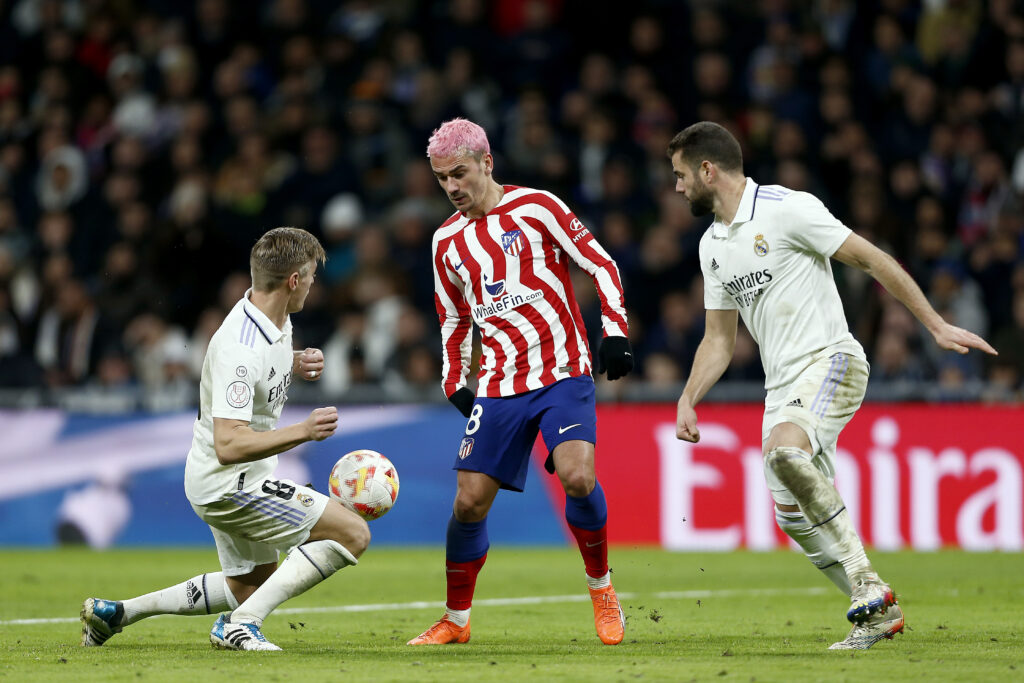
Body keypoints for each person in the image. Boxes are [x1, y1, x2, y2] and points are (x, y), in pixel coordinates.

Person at [667, 121, 997, 650]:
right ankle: (879, 612)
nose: (678, 186)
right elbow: (718, 341)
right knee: (791, 515)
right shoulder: (713, 246)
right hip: (782, 389)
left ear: (709, 170)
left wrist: (934, 324)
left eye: (682, 175)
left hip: (832, 360)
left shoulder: (786, 208)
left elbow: (872, 259)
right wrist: (688, 396)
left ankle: (865, 579)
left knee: (782, 455)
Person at [80, 227, 371, 651]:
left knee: (249, 584)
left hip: (228, 477)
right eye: (310, 275)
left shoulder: (273, 317)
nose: (313, 282)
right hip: (230, 483)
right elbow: (229, 443)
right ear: (293, 280)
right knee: (351, 534)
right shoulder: (239, 346)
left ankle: (117, 614)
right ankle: (241, 625)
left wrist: (292, 364)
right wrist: (303, 432)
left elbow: (258, 370)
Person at [408, 118, 634, 646]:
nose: (452, 188)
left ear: (487, 162)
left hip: (562, 372)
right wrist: (452, 381)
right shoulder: (446, 242)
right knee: (468, 502)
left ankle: (601, 587)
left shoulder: (539, 207)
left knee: (577, 477)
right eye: (442, 179)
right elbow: (454, 320)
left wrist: (615, 332)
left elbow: (601, 265)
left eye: (459, 174)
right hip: (498, 384)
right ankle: (456, 621)